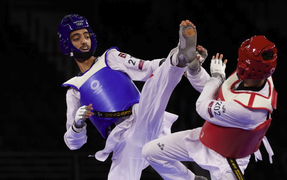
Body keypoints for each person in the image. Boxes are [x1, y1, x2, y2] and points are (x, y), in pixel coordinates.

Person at [57, 14, 203, 179]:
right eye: (77, 38)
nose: (84, 41)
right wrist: (77, 125)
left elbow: (147, 67)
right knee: (149, 159)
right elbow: (73, 144)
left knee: (152, 88)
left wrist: (169, 63)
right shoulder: (74, 90)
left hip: (143, 115)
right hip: (123, 140)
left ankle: (179, 58)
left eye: (86, 35)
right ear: (67, 44)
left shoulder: (110, 58)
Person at [142, 35, 278, 180]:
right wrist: (196, 72)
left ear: (247, 67)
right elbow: (219, 94)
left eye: (241, 61)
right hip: (207, 139)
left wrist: (217, 76)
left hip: (229, 160)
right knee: (151, 152)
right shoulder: (259, 77)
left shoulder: (249, 110)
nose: (238, 62)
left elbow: (202, 106)